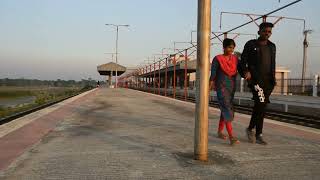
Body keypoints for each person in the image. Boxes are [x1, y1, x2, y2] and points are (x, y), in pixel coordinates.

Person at [239, 22, 276, 145]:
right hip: (256, 80)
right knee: (260, 103)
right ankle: (253, 131)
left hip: (268, 82)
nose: (267, 33)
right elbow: (242, 61)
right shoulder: (251, 44)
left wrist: (273, 80)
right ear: (259, 31)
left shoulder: (272, 46)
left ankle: (256, 132)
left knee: (261, 107)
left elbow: (272, 64)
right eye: (265, 31)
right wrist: (245, 72)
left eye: (269, 31)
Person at [210, 38, 240, 145]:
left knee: (226, 109)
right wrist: (209, 85)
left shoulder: (235, 59)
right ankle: (232, 136)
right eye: (229, 47)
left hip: (231, 87)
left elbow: (241, 69)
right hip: (221, 87)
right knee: (227, 109)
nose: (231, 50)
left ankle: (219, 131)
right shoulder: (217, 59)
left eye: (232, 48)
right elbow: (213, 74)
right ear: (224, 47)